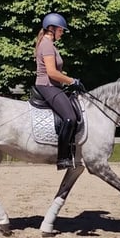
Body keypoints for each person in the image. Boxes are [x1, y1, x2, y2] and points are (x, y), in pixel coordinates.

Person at [34, 12, 85, 169]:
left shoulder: (49, 44)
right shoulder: (47, 45)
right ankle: (62, 157)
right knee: (69, 117)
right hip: (47, 85)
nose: (62, 33)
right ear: (51, 29)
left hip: (53, 85)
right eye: (61, 30)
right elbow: (51, 72)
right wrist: (72, 81)